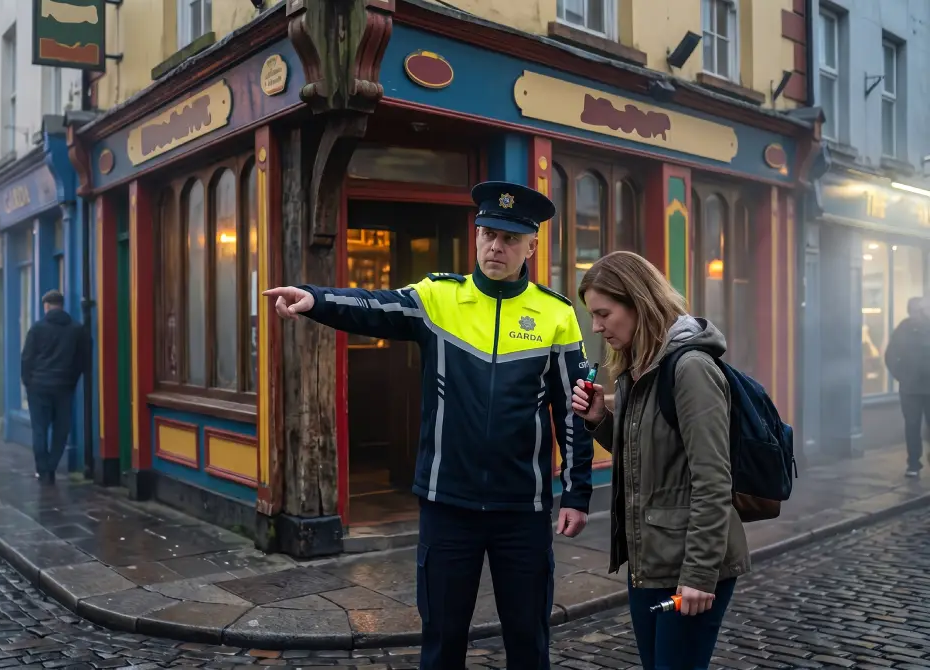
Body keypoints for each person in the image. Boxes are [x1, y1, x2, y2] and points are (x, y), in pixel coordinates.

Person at [263, 181, 593, 670]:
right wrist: (315, 299)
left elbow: (574, 408)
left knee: (528, 637)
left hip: (523, 509)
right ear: (477, 235)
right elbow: (375, 307)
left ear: (531, 246)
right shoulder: (438, 296)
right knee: (441, 636)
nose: (495, 246)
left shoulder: (557, 313)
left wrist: (578, 491)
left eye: (508, 238)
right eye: (487, 233)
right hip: (447, 506)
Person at [569, 251, 747, 670]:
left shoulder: (690, 368)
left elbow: (712, 479)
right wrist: (600, 420)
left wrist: (700, 575)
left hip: (690, 564)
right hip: (650, 559)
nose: (596, 326)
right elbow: (648, 454)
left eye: (603, 313)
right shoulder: (638, 367)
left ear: (637, 302)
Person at [21, 289, 88, 484]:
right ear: (62, 306)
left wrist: (29, 382)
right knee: (61, 429)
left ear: (47, 306)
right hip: (64, 386)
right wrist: (71, 380)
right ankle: (51, 466)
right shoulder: (76, 329)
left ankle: (43, 471)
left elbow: (27, 359)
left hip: (39, 386)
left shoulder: (36, 328)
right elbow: (82, 360)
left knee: (39, 429)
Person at [884, 296, 930, 477]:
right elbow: (890, 355)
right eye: (924, 307)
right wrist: (901, 375)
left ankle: (915, 463)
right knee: (912, 425)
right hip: (910, 388)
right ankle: (913, 463)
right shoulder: (904, 329)